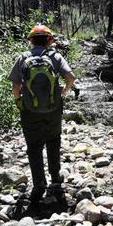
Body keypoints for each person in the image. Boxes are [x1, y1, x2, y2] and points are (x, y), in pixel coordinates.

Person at [9, 24, 76, 207]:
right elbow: (70, 78)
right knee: (53, 141)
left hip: (30, 110)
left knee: (34, 146)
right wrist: (63, 92)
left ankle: (39, 184)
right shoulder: (55, 56)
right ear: (49, 40)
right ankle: (55, 178)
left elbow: (15, 86)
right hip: (53, 108)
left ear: (31, 40)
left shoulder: (23, 57)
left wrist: (19, 102)